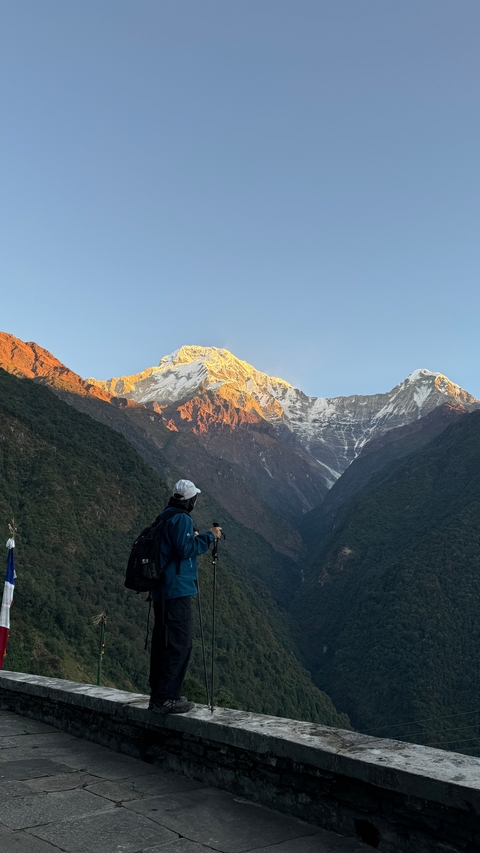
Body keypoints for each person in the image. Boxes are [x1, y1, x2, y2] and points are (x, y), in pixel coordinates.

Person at [148, 478, 222, 714]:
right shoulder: (181, 518)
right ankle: (167, 698)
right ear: (191, 500)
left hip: (162, 591)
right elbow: (185, 550)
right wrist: (209, 536)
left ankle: (159, 696)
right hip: (176, 591)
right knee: (179, 644)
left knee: (164, 643)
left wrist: (193, 536)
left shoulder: (166, 516)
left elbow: (177, 546)